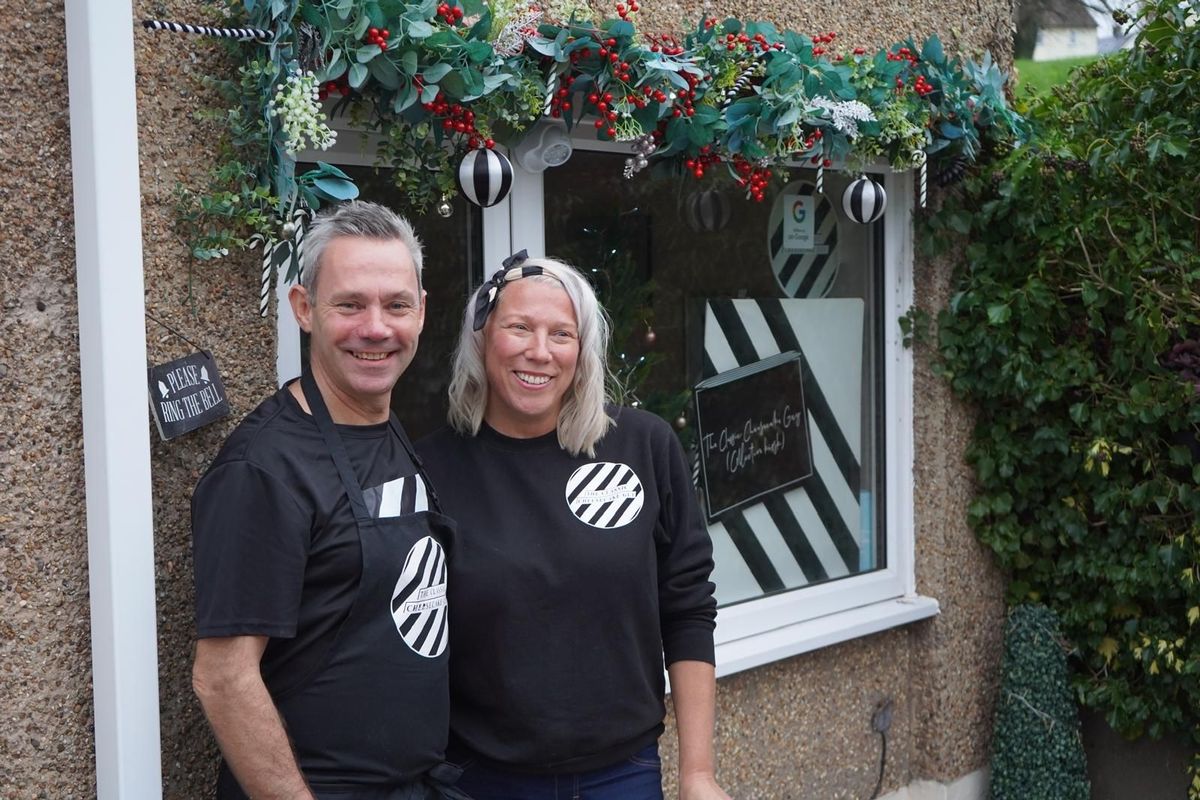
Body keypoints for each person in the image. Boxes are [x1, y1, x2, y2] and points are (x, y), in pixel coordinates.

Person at [416, 252, 731, 800]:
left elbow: (687, 607)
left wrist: (697, 772)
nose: (540, 351)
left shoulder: (645, 446)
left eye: (561, 334)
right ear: (482, 339)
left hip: (623, 774)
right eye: (519, 327)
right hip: (482, 779)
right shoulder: (430, 470)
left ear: (583, 351)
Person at [191, 201, 465, 800]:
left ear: (421, 312)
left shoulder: (387, 427)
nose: (376, 328)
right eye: (350, 304)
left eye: (396, 305)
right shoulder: (265, 469)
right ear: (303, 308)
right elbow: (224, 677)